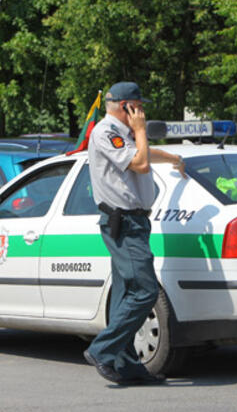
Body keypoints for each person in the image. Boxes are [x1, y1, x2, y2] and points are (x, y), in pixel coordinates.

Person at [83, 81, 186, 385]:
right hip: (123, 222)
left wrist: (173, 159)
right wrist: (141, 129)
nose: (142, 112)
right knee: (145, 291)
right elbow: (139, 162)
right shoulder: (105, 131)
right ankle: (103, 349)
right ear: (126, 107)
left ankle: (125, 365)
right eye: (139, 106)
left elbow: (143, 153)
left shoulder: (123, 134)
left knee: (126, 292)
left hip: (135, 222)